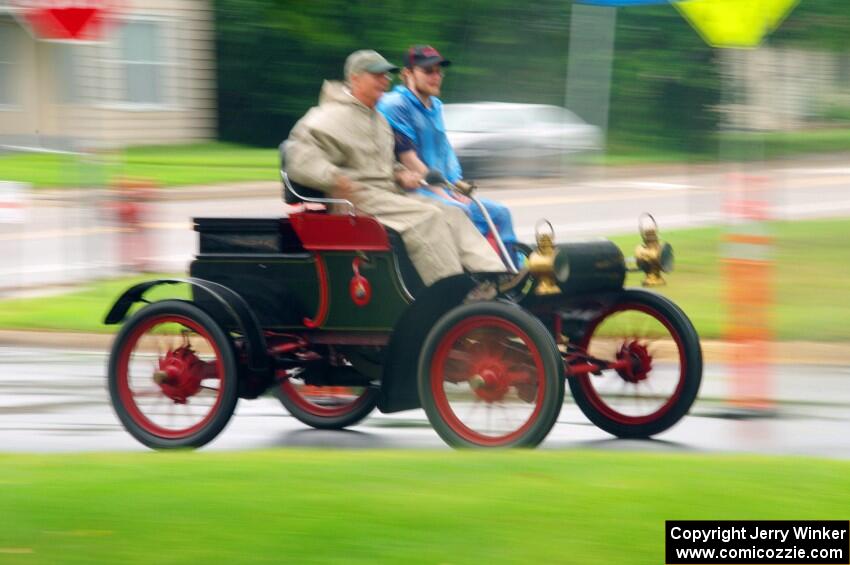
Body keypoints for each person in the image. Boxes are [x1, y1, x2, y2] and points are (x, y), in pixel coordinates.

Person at [285, 49, 505, 287]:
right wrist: (336, 180)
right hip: (355, 202)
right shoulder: (326, 118)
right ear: (356, 78)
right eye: (377, 75)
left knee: (452, 212)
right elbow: (298, 160)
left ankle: (493, 277)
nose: (386, 80)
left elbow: (385, 164)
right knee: (428, 218)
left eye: (388, 75)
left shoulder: (377, 119)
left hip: (387, 196)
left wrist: (401, 174)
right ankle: (451, 293)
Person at [376, 45, 520, 264]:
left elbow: (445, 151)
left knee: (500, 213)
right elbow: (409, 159)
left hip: (441, 186)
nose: (436, 77)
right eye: (428, 71)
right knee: (461, 211)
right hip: (413, 188)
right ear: (408, 73)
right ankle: (476, 275)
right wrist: (445, 193)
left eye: (438, 71)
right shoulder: (396, 105)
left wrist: (458, 186)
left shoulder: (436, 105)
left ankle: (512, 270)